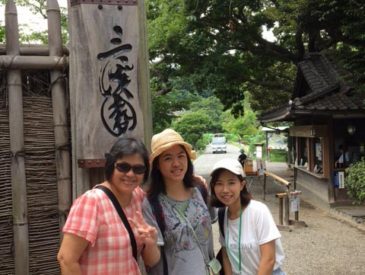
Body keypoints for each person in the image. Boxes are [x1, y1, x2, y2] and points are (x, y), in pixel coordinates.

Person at [57, 137, 160, 274]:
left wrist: (150, 243)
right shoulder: (92, 202)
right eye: (123, 167)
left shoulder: (139, 198)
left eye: (138, 169)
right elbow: (66, 259)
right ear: (111, 165)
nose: (130, 174)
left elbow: (151, 261)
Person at [142, 128, 217, 275]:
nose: (176, 163)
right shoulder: (151, 204)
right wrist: (149, 243)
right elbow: (152, 261)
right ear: (157, 164)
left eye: (181, 156)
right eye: (168, 158)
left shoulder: (200, 190)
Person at [210, 158, 285, 275]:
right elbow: (226, 254)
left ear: (242, 185)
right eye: (219, 183)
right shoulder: (222, 214)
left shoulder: (258, 211)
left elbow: (269, 259)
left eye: (231, 182)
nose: (225, 190)